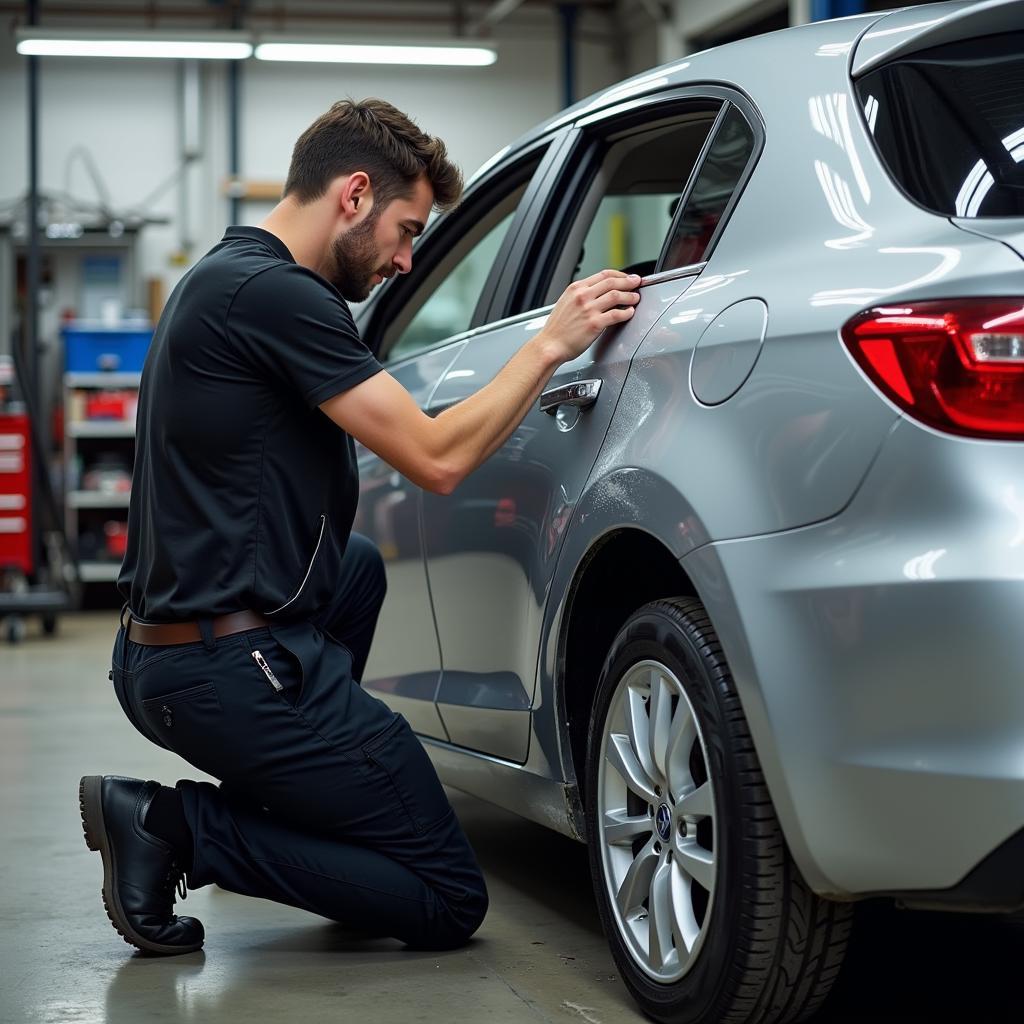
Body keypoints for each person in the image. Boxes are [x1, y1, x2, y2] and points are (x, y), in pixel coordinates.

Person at [79, 98, 642, 956]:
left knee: (355, 567)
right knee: (447, 898)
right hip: (220, 669)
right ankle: (176, 826)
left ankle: (301, 787)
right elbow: (436, 458)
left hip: (164, 653)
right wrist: (548, 345)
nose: (407, 258)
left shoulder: (226, 274)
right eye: (406, 229)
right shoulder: (280, 297)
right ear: (352, 196)